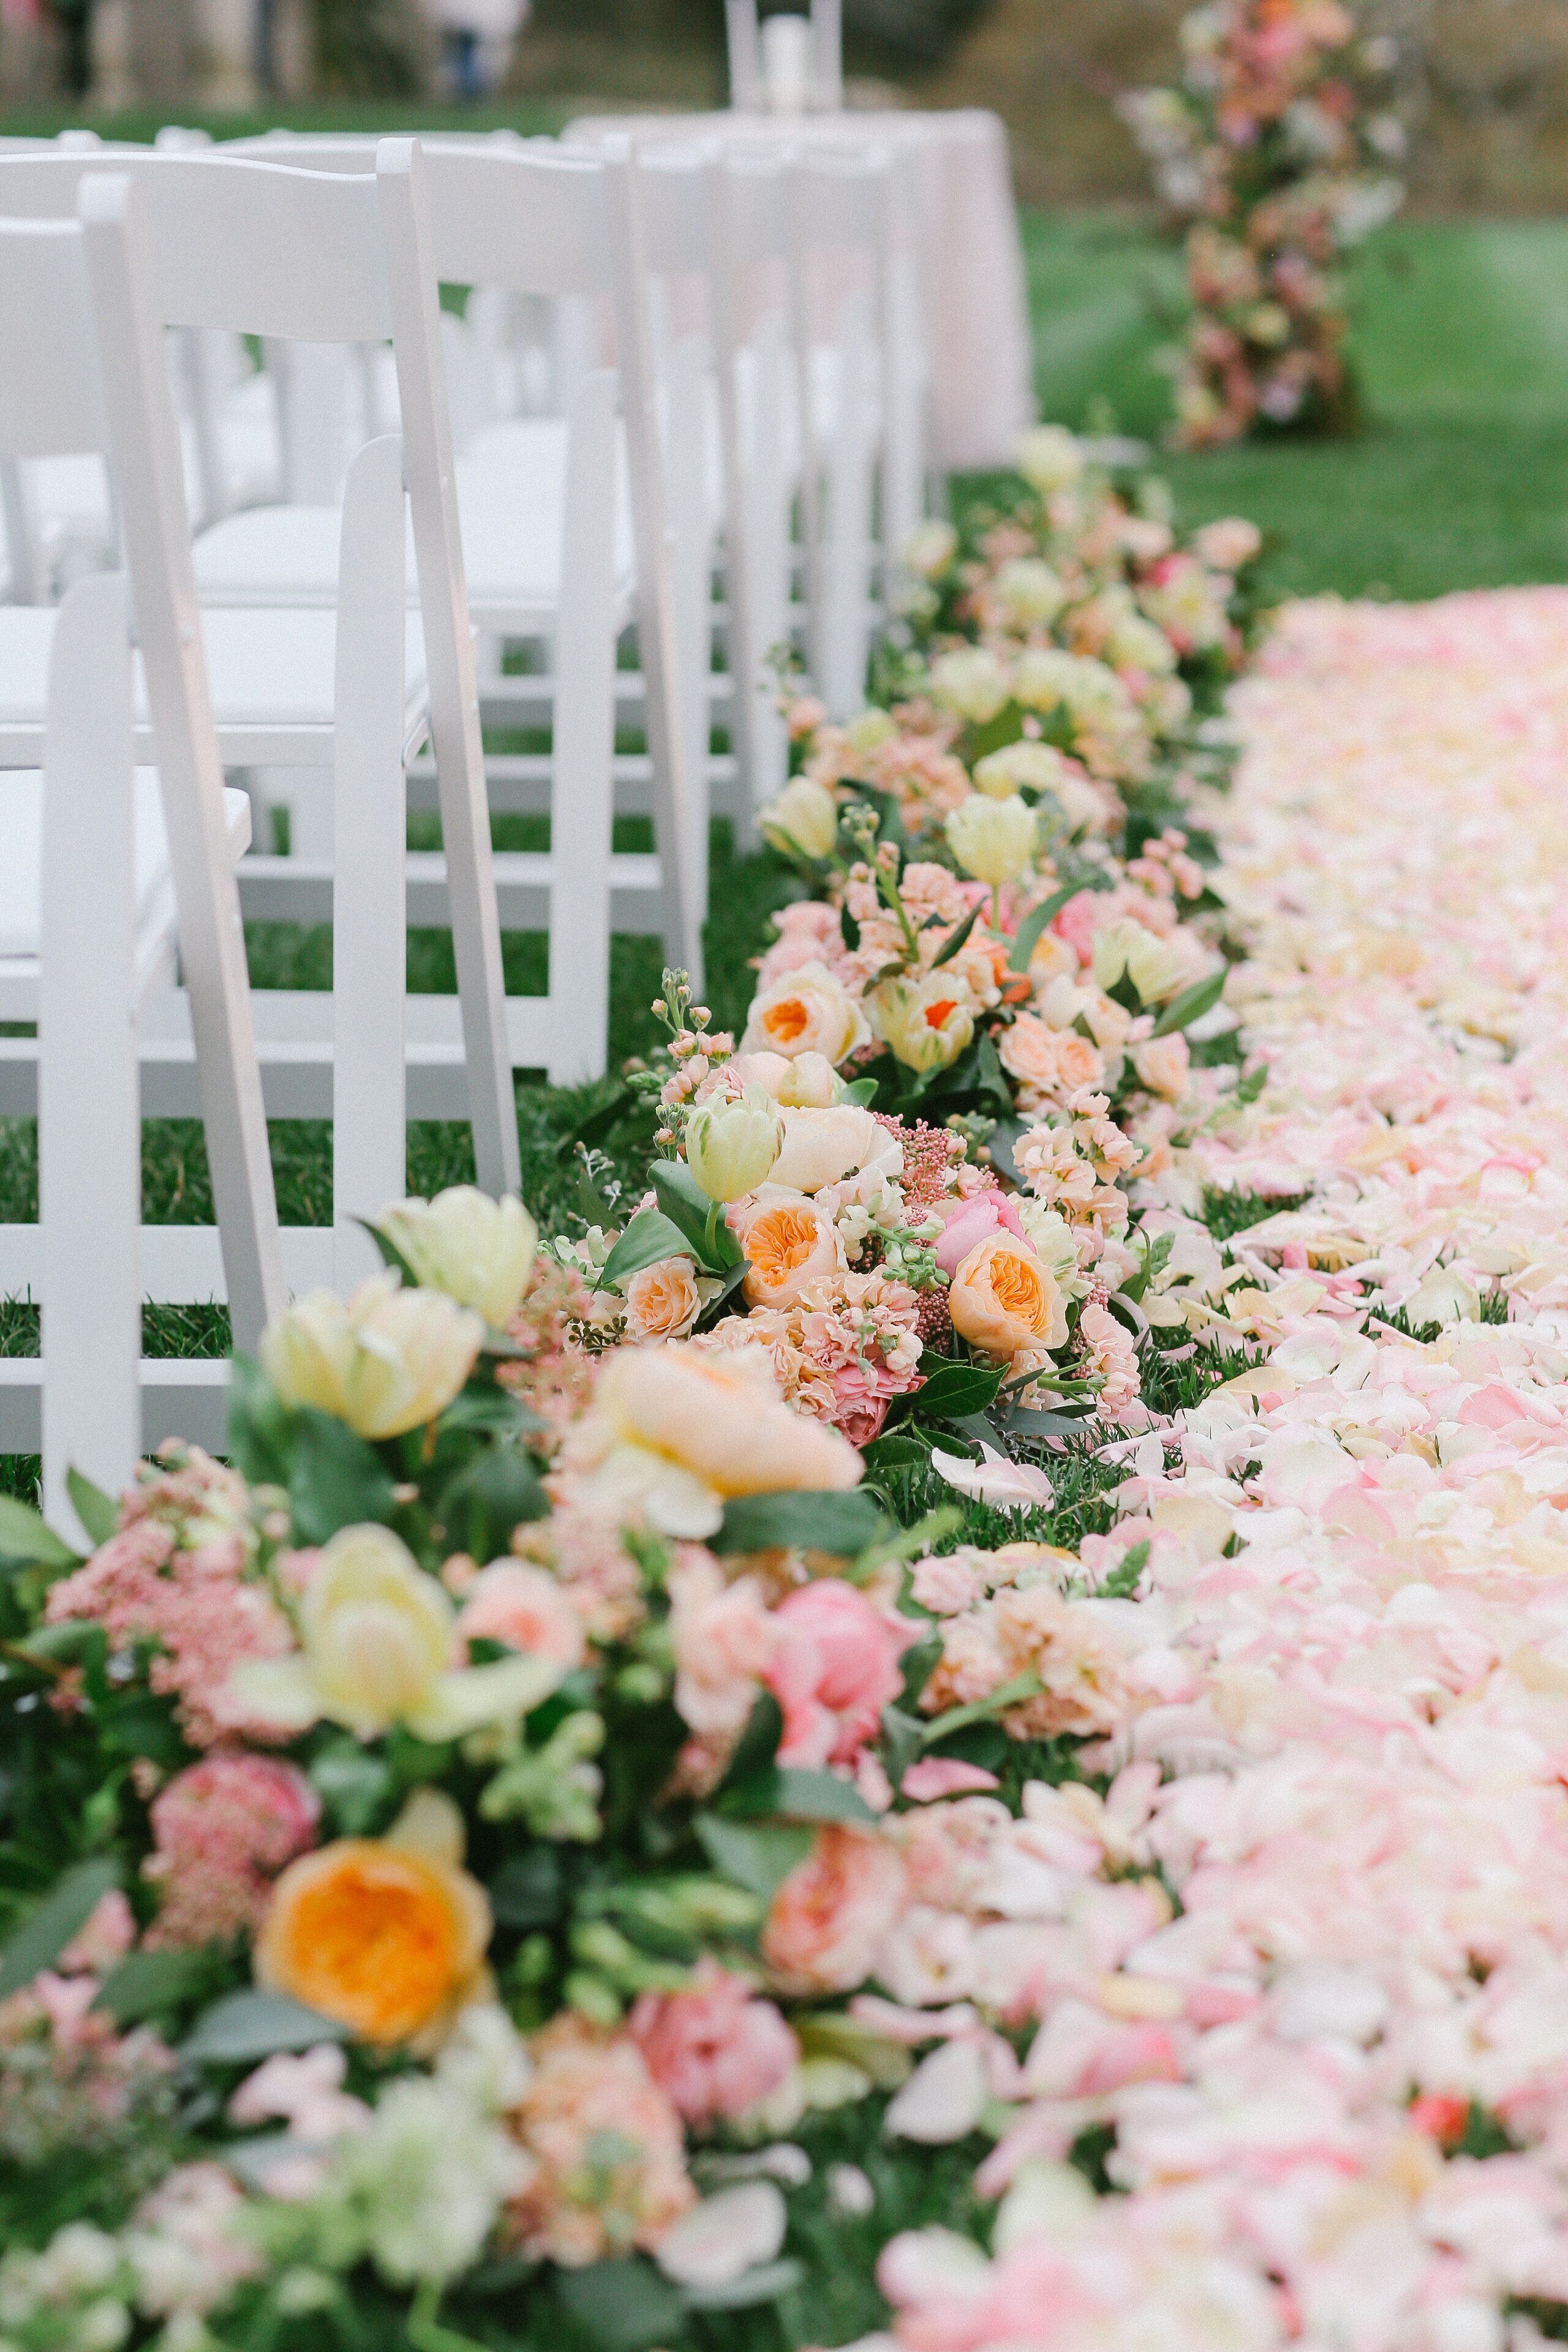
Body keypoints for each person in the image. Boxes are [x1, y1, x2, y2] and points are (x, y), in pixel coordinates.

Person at [421, 0, 525, 99]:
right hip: (471, 27)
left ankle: (469, 90)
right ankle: (469, 90)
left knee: (468, 59)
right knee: (467, 59)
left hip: (469, 26)